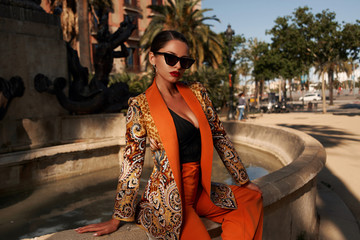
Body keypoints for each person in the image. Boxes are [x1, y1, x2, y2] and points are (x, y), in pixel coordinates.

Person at [76, 30, 263, 240]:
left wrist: (244, 181)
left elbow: (220, 137)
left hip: (201, 192)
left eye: (185, 61)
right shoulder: (140, 106)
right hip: (168, 201)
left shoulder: (197, 92)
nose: (177, 66)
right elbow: (132, 163)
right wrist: (117, 217)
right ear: (152, 58)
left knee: (251, 198)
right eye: (171, 58)